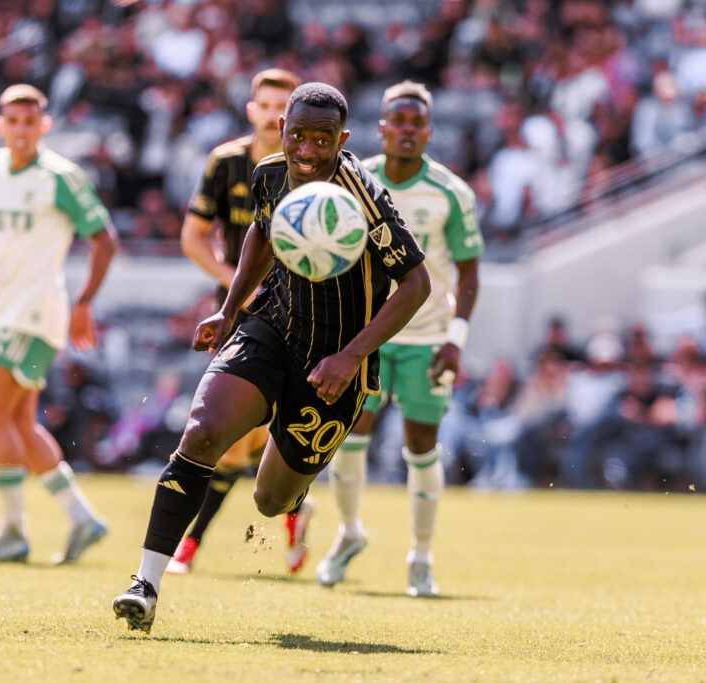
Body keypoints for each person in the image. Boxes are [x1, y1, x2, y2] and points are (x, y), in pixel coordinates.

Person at [112, 82, 430, 633]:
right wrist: (231, 310)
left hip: (335, 365)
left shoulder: (364, 195)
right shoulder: (269, 173)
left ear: (343, 140)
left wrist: (352, 357)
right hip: (273, 329)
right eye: (298, 136)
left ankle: (295, 498)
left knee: (268, 500)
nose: (308, 150)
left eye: (322, 141)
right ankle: (146, 583)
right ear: (281, 129)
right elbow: (261, 233)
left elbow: (417, 284)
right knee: (203, 434)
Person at [314, 81, 483, 597]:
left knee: (421, 447)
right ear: (382, 127)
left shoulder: (452, 192)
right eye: (398, 120)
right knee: (348, 436)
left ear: (428, 131)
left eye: (417, 122)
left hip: (428, 339)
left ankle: (421, 557)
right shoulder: (353, 180)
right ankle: (347, 534)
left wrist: (456, 339)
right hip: (366, 337)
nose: (407, 130)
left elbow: (469, 274)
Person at [0, 84, 120, 565]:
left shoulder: (59, 176)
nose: (21, 130)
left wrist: (85, 302)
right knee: (19, 422)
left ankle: (13, 533)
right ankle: (83, 518)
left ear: (44, 126)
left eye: (30, 122)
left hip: (36, 309)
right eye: (12, 121)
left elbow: (105, 239)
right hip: (1, 308)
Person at [169, 68, 310, 575]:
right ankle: (291, 510)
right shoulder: (226, 162)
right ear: (251, 111)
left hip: (297, 314)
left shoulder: (314, 168)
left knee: (252, 434)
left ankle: (192, 543)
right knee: (232, 431)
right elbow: (191, 237)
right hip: (235, 314)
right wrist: (235, 281)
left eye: (283, 106)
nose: (274, 115)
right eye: (266, 105)